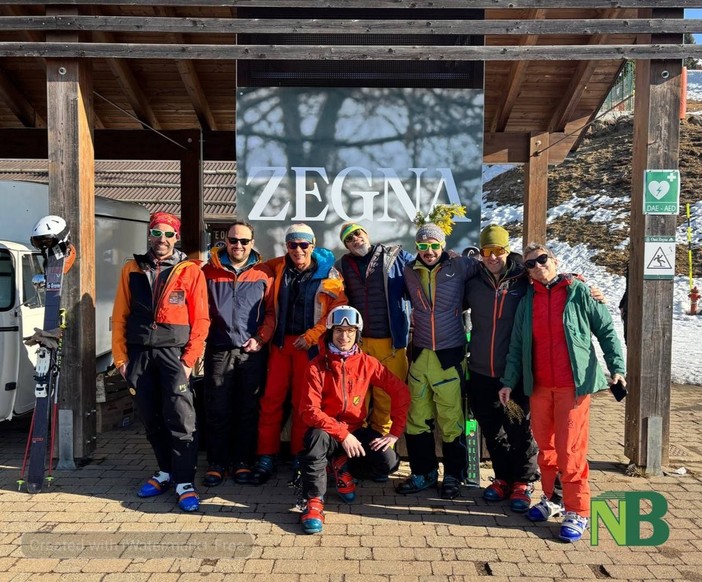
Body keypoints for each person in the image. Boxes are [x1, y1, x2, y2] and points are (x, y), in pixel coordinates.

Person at [499, 243, 626, 543]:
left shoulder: (578, 291)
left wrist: (617, 368)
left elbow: (606, 330)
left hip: (573, 385)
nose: (538, 266)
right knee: (547, 449)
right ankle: (553, 499)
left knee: (571, 452)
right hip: (540, 386)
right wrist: (508, 381)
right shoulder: (527, 300)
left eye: (542, 260)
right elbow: (517, 345)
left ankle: (578, 510)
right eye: (530, 264)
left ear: (554, 261)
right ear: (527, 272)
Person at [112, 212, 210, 512]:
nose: (162, 240)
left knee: (181, 419)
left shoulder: (190, 271)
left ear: (176, 238)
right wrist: (121, 360)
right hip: (139, 355)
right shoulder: (132, 268)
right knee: (151, 418)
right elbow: (119, 317)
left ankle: (184, 482)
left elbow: (202, 320)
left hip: (175, 355)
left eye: (168, 235)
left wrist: (188, 361)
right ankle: (165, 472)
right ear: (149, 235)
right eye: (157, 234)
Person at [297, 306, 411, 534]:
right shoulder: (316, 366)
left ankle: (341, 465)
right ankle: (314, 502)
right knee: (315, 440)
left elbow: (400, 391)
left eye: (350, 331)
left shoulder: (367, 363)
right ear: (330, 333)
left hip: (356, 431)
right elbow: (309, 410)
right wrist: (342, 434)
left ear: (357, 334)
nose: (344, 336)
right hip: (328, 431)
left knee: (388, 462)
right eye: (339, 330)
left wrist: (394, 432)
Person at [251, 223, 347, 485]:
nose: (298, 249)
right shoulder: (279, 266)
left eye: (303, 244)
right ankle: (265, 455)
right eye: (293, 244)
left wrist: (312, 336)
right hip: (281, 345)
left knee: (304, 404)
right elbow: (250, 264)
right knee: (270, 401)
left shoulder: (330, 273)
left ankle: (300, 455)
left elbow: (336, 311)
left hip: (310, 348)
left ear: (312, 246)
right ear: (286, 247)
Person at [397, 222, 479, 500]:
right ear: (416, 248)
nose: (429, 251)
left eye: (434, 245)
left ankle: (454, 474)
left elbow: (499, 269)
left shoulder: (460, 265)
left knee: (451, 419)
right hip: (420, 354)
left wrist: (567, 275)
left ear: (442, 245)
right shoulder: (409, 270)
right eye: (422, 245)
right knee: (416, 418)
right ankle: (424, 472)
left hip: (449, 354)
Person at [464, 225, 540, 513]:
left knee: (519, 426)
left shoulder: (524, 279)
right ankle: (503, 478)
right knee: (492, 429)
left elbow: (552, 282)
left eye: (498, 250)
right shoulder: (474, 281)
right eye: (487, 251)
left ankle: (523, 480)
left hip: (514, 372)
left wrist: (579, 282)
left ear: (507, 250)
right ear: (481, 252)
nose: (493, 256)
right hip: (482, 369)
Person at [335, 222, 413, 479]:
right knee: (358, 397)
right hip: (359, 343)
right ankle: (357, 454)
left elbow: (423, 265)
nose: (355, 239)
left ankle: (383, 453)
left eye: (357, 233)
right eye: (348, 239)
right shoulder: (343, 264)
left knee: (387, 398)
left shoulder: (395, 255)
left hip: (391, 341)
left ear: (366, 234)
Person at [201, 220, 275, 486]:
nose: (238, 246)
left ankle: (243, 461)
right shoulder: (208, 272)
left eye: (244, 241)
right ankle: (217, 462)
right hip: (219, 348)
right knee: (217, 408)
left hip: (251, 351)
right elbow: (199, 312)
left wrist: (260, 339)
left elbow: (270, 313)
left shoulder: (264, 273)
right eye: (234, 240)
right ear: (225, 242)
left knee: (247, 408)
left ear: (252, 243)